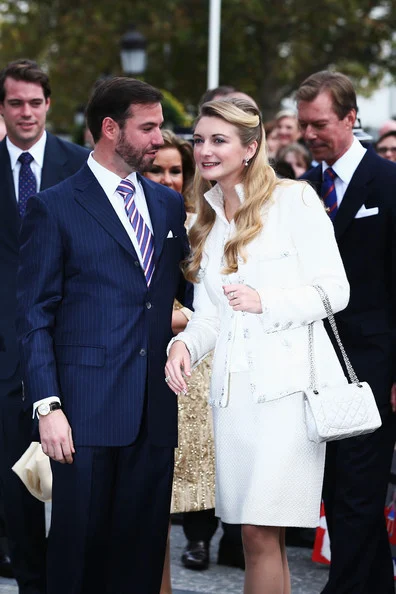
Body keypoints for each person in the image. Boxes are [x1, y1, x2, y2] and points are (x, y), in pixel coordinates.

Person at [165, 98, 350, 594]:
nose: (204, 150)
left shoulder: (294, 201)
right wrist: (182, 347)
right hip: (232, 398)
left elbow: (336, 290)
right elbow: (208, 316)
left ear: (250, 147)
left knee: (258, 530)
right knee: (254, 537)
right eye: (200, 139)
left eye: (218, 140)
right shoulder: (205, 216)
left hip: (286, 395)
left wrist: (264, 300)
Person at [16, 77, 192, 594]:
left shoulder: (166, 205)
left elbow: (187, 292)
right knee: (78, 556)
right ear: (111, 129)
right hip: (84, 413)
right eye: (149, 127)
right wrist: (48, 408)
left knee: (141, 556)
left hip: (154, 410)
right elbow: (34, 316)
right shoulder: (55, 206)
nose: (160, 138)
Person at [297, 70, 396, 594]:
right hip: (316, 367)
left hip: (375, 366)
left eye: (321, 124)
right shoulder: (301, 190)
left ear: (351, 118)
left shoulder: (389, 182)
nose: (310, 135)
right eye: (304, 125)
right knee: (336, 493)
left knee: (359, 491)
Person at [0, 58, 88, 594]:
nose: (26, 112)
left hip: (71, 348)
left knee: (77, 486)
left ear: (49, 104)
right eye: (15, 102)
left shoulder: (80, 165)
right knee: (16, 490)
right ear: (3, 107)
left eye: (35, 102)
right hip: (5, 358)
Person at [144, 131, 243, 593]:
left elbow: (212, 306)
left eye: (175, 171)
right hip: (139, 368)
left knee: (186, 489)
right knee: (148, 509)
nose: (166, 179)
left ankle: (201, 541)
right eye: (155, 169)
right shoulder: (128, 217)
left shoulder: (200, 225)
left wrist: (174, 319)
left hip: (193, 368)